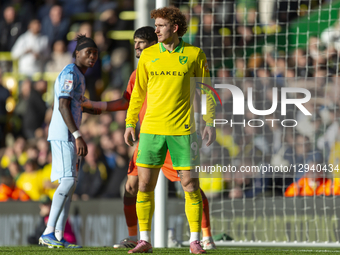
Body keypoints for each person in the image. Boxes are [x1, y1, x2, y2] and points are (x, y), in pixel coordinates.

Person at [81, 26, 216, 251]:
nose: (136, 47)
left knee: (191, 187)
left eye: (140, 43)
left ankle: (205, 236)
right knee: (132, 187)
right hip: (149, 136)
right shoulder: (140, 70)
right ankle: (136, 237)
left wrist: (204, 119)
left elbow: (202, 90)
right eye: (134, 43)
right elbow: (128, 100)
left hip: (176, 134)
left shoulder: (183, 60)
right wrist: (98, 107)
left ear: (154, 43)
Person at [124, 7, 215, 254]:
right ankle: (144, 240)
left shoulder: (195, 55)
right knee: (144, 186)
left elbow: (206, 90)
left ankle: (195, 240)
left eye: (161, 25)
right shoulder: (148, 55)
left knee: (191, 185)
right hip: (151, 130)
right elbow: (138, 94)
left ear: (175, 28)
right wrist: (130, 123)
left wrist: (209, 121)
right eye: (156, 26)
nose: (156, 30)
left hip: (183, 131)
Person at [38, 34, 99, 249]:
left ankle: (58, 235)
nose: (92, 57)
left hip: (69, 133)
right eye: (88, 52)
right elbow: (63, 105)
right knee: (68, 182)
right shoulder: (70, 73)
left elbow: (74, 104)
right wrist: (77, 135)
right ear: (77, 54)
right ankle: (48, 232)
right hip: (64, 133)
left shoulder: (79, 76)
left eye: (95, 53)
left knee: (70, 185)